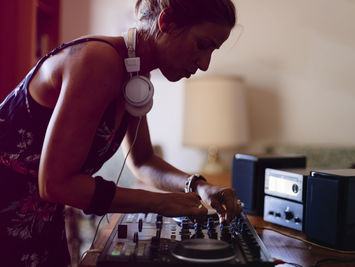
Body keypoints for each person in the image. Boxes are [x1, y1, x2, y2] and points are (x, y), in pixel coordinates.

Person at [0, 0, 241, 266]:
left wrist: (199, 186)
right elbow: (55, 184)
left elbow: (143, 161)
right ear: (167, 22)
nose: (205, 64)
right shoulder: (98, 61)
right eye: (202, 44)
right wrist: (158, 203)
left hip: (37, 221)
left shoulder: (135, 75)